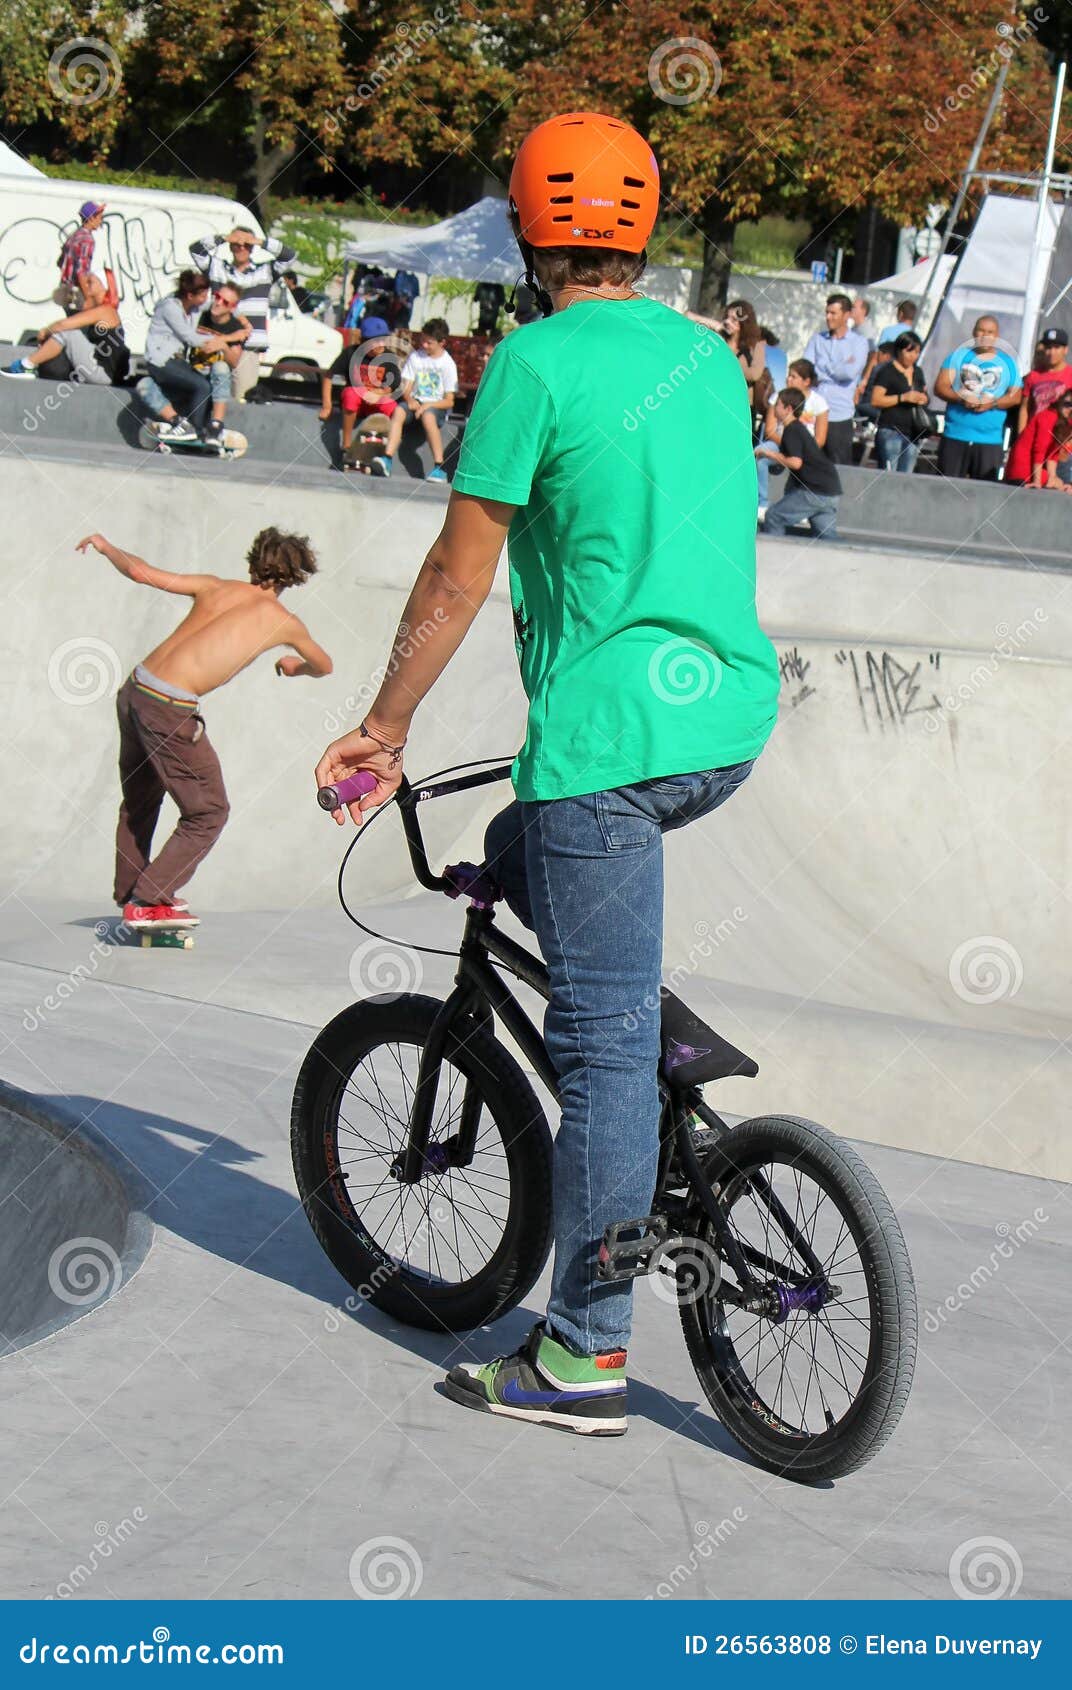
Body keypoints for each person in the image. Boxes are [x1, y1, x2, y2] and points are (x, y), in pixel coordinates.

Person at [312, 110, 779, 1436]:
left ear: (527, 230)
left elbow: (460, 570)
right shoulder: (707, 357)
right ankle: (654, 1040)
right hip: (726, 723)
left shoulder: (531, 361)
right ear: (643, 231)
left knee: (598, 1043)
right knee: (527, 857)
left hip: (607, 751)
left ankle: (584, 1350)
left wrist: (385, 724)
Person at [76, 528, 332, 932]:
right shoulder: (285, 623)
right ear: (297, 576)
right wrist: (294, 666)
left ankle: (133, 893)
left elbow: (141, 572)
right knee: (209, 811)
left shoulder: (213, 587)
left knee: (139, 800)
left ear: (253, 561)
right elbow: (325, 664)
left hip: (135, 691)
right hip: (170, 710)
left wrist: (108, 548)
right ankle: (149, 898)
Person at [188, 226, 296, 401]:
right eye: (237, 244)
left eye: (246, 245)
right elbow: (196, 251)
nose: (241, 248)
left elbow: (289, 256)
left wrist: (259, 241)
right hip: (218, 340)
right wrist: (225, 237)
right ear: (231, 246)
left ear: (252, 248)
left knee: (242, 398)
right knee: (210, 397)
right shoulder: (217, 267)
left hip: (249, 345)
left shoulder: (265, 271)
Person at [139, 270, 224, 439]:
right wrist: (220, 341)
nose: (205, 299)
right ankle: (196, 430)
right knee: (202, 386)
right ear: (190, 295)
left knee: (203, 384)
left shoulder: (191, 306)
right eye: (202, 295)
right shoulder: (170, 307)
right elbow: (190, 338)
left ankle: (188, 425)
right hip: (161, 361)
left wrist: (241, 318)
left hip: (176, 361)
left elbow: (217, 306)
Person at [1, 273, 129, 385]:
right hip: (99, 368)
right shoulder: (101, 310)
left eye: (91, 282)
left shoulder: (106, 311)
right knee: (67, 334)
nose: (87, 285)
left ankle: (26, 365)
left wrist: (45, 331)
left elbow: (63, 325)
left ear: (104, 287)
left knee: (68, 333)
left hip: (103, 374)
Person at [934, 315, 1021, 481]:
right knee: (946, 490)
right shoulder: (958, 356)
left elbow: (1016, 397)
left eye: (990, 332)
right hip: (955, 436)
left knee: (984, 494)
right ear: (974, 332)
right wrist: (962, 398)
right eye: (981, 330)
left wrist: (992, 403)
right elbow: (940, 387)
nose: (984, 335)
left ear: (997, 336)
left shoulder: (1007, 362)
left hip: (989, 440)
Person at [370, 318, 456, 482]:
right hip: (415, 402)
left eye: (429, 343)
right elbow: (407, 387)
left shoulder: (447, 364)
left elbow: (449, 400)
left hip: (435, 406)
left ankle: (439, 467)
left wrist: (427, 406)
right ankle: (387, 458)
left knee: (428, 416)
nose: (424, 345)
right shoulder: (416, 357)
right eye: (423, 341)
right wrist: (409, 400)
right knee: (399, 411)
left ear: (442, 342)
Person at [762, 388, 843, 537]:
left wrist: (768, 453)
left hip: (815, 490)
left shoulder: (791, 430)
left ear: (788, 409)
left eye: (778, 404)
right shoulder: (799, 429)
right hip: (831, 490)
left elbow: (795, 463)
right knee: (826, 537)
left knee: (774, 517)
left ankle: (775, 556)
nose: (773, 408)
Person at [802, 293, 870, 465]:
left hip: (839, 414)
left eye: (833, 313)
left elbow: (848, 373)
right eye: (827, 312)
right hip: (814, 413)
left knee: (838, 467)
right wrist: (838, 366)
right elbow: (807, 370)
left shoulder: (859, 343)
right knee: (810, 464)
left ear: (846, 315)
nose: (828, 317)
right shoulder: (818, 339)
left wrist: (823, 365)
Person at [755, 358, 829, 510]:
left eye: (793, 376)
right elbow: (770, 430)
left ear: (806, 381)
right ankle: (761, 504)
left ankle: (797, 508)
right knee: (760, 456)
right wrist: (789, 446)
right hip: (778, 443)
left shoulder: (819, 403)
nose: (788, 379)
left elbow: (820, 439)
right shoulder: (777, 397)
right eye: (788, 375)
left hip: (805, 450)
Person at [186, 283, 252, 442]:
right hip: (192, 370)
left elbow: (235, 361)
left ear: (232, 307)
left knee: (221, 367)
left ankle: (216, 425)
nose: (218, 303)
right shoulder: (201, 315)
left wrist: (223, 345)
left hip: (214, 375)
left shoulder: (234, 327)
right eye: (217, 297)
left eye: (225, 302)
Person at [871, 331, 930, 473]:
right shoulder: (887, 371)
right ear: (899, 350)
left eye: (916, 353)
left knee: (906, 476)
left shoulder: (918, 371)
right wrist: (902, 398)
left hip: (912, 432)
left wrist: (922, 398)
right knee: (889, 473)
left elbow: (924, 393)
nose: (913, 356)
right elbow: (876, 400)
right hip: (891, 430)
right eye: (909, 352)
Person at [337, 317, 397, 454]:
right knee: (351, 393)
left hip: (375, 404)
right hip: (354, 404)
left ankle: (382, 450)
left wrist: (378, 393)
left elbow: (392, 386)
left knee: (392, 407)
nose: (381, 344)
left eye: (384, 340)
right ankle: (346, 445)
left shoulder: (389, 357)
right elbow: (329, 376)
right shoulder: (351, 353)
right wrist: (327, 405)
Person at [1015, 326, 1072, 436]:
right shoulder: (1033, 376)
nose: (1052, 352)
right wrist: (1022, 436)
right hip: (1035, 434)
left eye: (1056, 347)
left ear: (1065, 350)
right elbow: (1025, 408)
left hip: (1061, 438)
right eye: (1048, 348)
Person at [57, 201, 105, 306]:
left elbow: (60, 263)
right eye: (100, 217)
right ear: (92, 218)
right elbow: (81, 272)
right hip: (77, 293)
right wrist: (88, 298)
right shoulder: (87, 240)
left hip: (65, 290)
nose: (101, 221)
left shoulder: (74, 235)